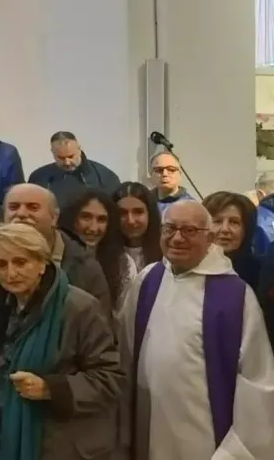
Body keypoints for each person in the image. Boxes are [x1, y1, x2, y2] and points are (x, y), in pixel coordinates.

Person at [120, 200, 274, 459]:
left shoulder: (235, 295)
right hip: (148, 423)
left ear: (210, 238)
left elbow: (257, 380)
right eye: (170, 229)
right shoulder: (147, 279)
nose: (177, 238)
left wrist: (234, 452)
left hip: (206, 437)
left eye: (189, 231)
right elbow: (125, 351)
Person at [0, 223, 123, 459]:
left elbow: (111, 379)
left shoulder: (79, 308)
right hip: (0, 439)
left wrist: (51, 389)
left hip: (58, 445)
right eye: (1, 264)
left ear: (42, 264)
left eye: (20, 262)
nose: (10, 273)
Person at [0, 184, 113, 314]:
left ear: (54, 217)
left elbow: (99, 327)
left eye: (33, 207)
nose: (21, 213)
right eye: (14, 207)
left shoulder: (85, 266)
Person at [57, 189, 130, 313]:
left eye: (101, 219)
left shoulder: (123, 263)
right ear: (71, 219)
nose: (93, 228)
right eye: (86, 217)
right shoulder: (56, 255)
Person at [27, 132, 120, 208]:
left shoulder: (105, 176)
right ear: (52, 153)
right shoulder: (39, 177)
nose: (67, 162)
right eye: (61, 158)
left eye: (71, 156)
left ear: (79, 149)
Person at [200, 191, 263, 287]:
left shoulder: (261, 273)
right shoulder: (187, 267)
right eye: (217, 221)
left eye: (234, 222)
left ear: (247, 229)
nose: (225, 229)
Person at [114, 182, 162, 278]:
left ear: (150, 214)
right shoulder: (103, 254)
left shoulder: (166, 252)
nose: (130, 221)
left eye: (138, 212)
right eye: (122, 213)